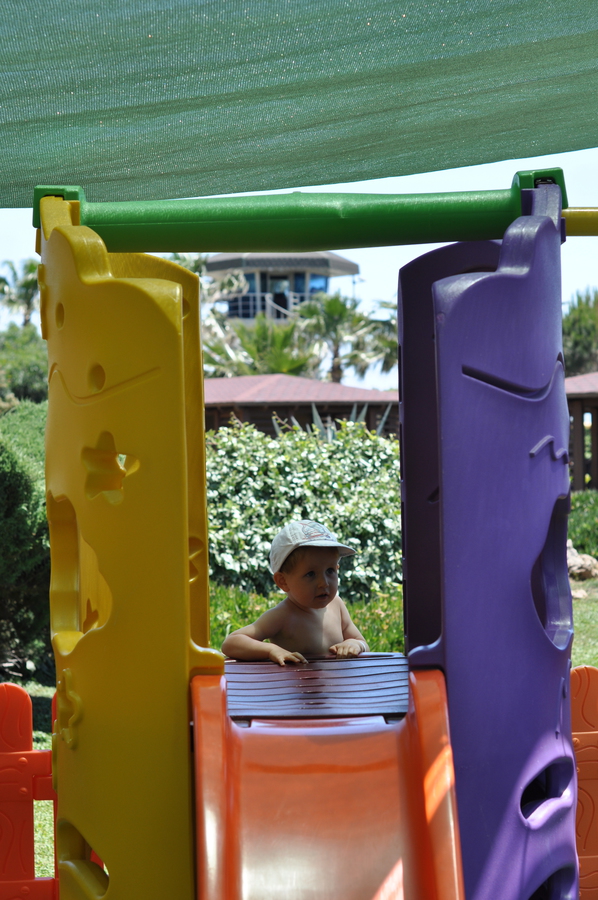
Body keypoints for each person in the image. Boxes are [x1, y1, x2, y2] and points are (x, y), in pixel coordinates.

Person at [221, 520, 369, 665]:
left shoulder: (336, 605)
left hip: (338, 681)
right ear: (283, 582)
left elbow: (362, 643)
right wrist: (272, 650)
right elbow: (231, 643)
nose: (324, 583)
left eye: (330, 571)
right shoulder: (283, 615)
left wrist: (355, 644)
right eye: (311, 574)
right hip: (297, 681)